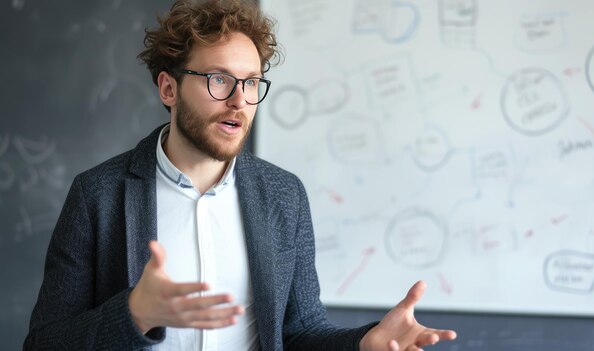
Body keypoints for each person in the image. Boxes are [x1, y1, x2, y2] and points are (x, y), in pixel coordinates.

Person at [24, 0, 457, 350]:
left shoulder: (284, 196)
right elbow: (43, 343)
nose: (238, 101)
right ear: (168, 89)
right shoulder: (97, 194)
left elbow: (300, 333)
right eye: (218, 80)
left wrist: (365, 342)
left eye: (251, 83)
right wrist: (135, 314)